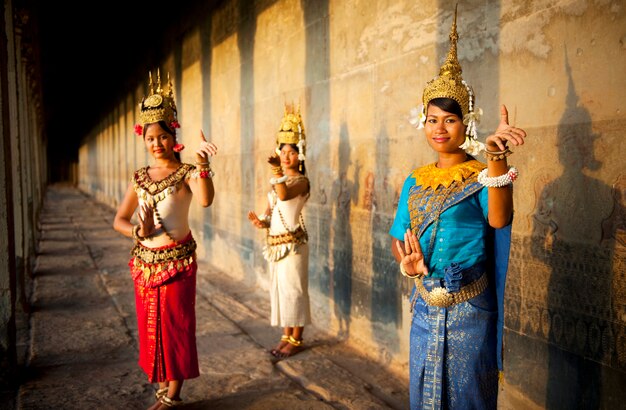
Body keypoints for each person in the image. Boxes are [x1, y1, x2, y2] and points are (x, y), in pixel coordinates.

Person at [389, 9, 526, 410]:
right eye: (432, 119)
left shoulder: (482, 172)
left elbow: (500, 220)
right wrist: (407, 265)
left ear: (466, 124)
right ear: (423, 121)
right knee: (425, 390)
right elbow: (400, 236)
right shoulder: (415, 179)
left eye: (450, 119)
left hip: (471, 304)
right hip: (424, 302)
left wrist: (497, 159)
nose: (439, 128)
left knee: (468, 396)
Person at [113, 71, 217, 409]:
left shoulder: (186, 173)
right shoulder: (140, 178)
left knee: (176, 327)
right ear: (143, 140)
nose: (156, 144)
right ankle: (162, 390)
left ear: (174, 136)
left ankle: (173, 396)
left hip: (178, 265)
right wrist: (137, 233)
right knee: (151, 328)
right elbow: (119, 220)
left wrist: (202, 165)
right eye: (150, 138)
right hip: (145, 264)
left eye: (162, 136)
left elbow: (205, 201)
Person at [248, 104, 311, 358]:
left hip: (294, 246)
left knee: (295, 291)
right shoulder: (278, 182)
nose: (286, 157)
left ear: (300, 155)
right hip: (276, 246)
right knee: (282, 292)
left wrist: (276, 172)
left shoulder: (300, 182)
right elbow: (271, 210)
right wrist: (261, 222)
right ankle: (286, 335)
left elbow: (284, 195)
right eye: (282, 151)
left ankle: (297, 339)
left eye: (291, 153)